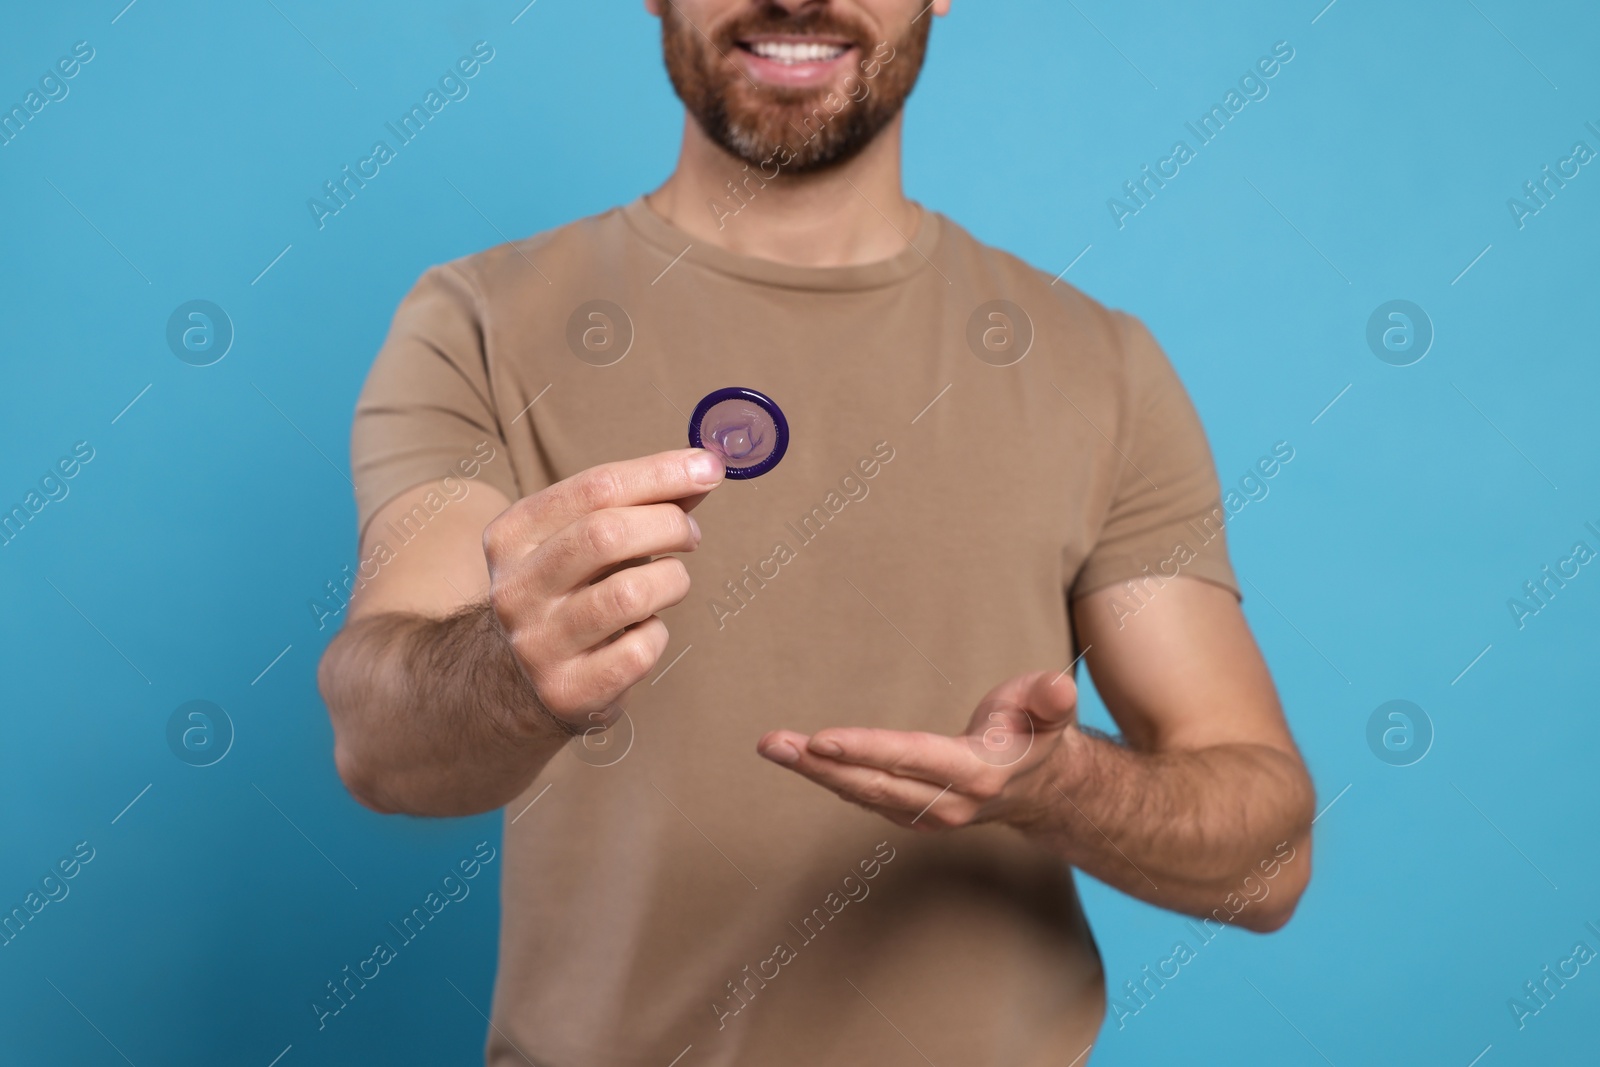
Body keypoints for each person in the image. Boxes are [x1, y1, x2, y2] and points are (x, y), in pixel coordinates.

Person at [317, 1, 1316, 1063]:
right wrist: (510, 670)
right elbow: (381, 745)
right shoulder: (479, 321)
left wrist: (1065, 788)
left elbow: (1270, 857)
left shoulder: (1097, 366)